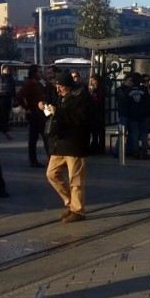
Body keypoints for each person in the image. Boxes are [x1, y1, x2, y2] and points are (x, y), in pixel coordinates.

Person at [45, 72, 93, 223]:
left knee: (75, 179)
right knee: (51, 174)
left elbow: (79, 118)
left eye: (60, 87)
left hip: (75, 143)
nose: (58, 90)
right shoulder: (62, 97)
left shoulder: (82, 97)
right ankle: (70, 202)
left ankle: (78, 210)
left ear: (68, 86)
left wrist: (58, 111)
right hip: (60, 143)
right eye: (57, 87)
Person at [15, 65, 48, 167]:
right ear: (34, 73)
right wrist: (26, 107)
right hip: (35, 113)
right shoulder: (30, 83)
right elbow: (19, 96)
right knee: (40, 137)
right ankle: (35, 160)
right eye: (39, 72)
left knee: (41, 136)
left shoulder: (37, 83)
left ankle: (41, 159)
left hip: (39, 112)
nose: (40, 73)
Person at [87, 74, 106, 154]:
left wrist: (93, 92)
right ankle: (95, 146)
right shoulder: (90, 89)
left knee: (100, 131)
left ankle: (100, 147)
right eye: (91, 81)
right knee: (94, 131)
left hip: (99, 112)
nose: (92, 82)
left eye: (93, 81)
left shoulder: (100, 89)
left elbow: (99, 100)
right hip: (92, 113)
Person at [0, 64, 16, 130]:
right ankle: (1, 126)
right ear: (3, 70)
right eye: (6, 70)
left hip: (8, 97)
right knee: (1, 112)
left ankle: (6, 126)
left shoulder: (11, 78)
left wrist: (13, 96)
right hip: (1, 97)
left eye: (8, 70)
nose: (7, 71)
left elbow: (13, 88)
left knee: (7, 112)